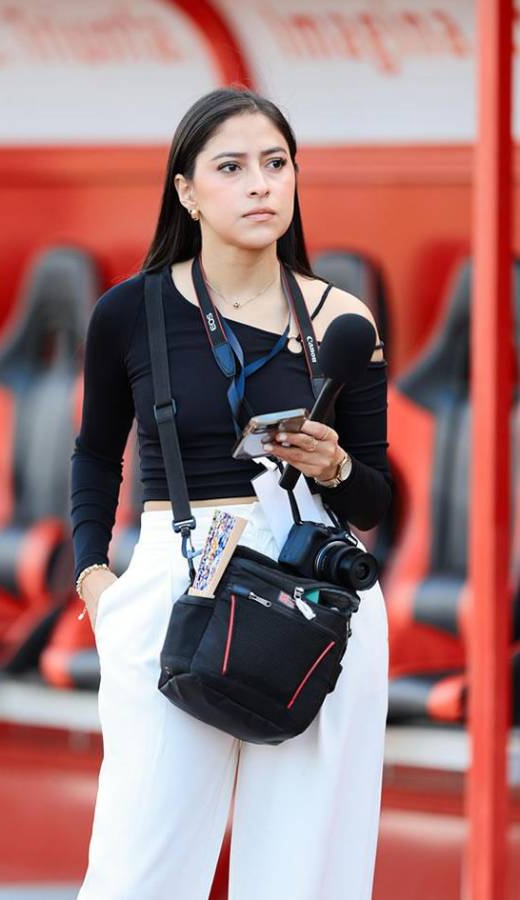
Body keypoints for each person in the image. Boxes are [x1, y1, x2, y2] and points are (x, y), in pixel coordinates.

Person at [70, 87, 391, 899]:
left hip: (313, 591)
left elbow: (378, 501)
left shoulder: (342, 318)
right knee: (136, 869)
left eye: (276, 164)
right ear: (186, 190)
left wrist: (336, 469)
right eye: (233, 167)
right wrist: (95, 580)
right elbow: (93, 455)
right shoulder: (127, 312)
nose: (260, 185)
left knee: (303, 871)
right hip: (175, 577)